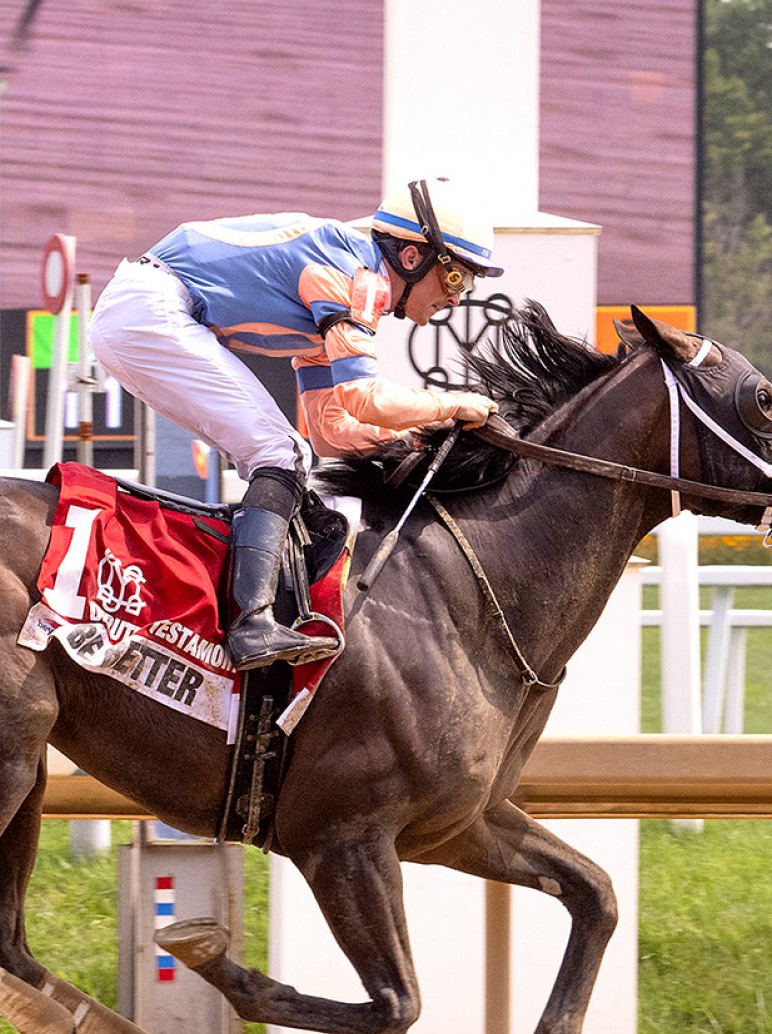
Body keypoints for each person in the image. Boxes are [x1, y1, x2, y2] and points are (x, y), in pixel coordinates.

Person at [88, 175, 504, 670]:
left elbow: (330, 431)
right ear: (412, 257)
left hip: (142, 311)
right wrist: (453, 405)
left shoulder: (345, 280)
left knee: (284, 453)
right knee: (278, 453)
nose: (457, 298)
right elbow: (364, 396)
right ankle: (250, 623)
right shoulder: (358, 278)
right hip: (151, 309)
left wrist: (412, 437)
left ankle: (247, 610)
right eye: (456, 277)